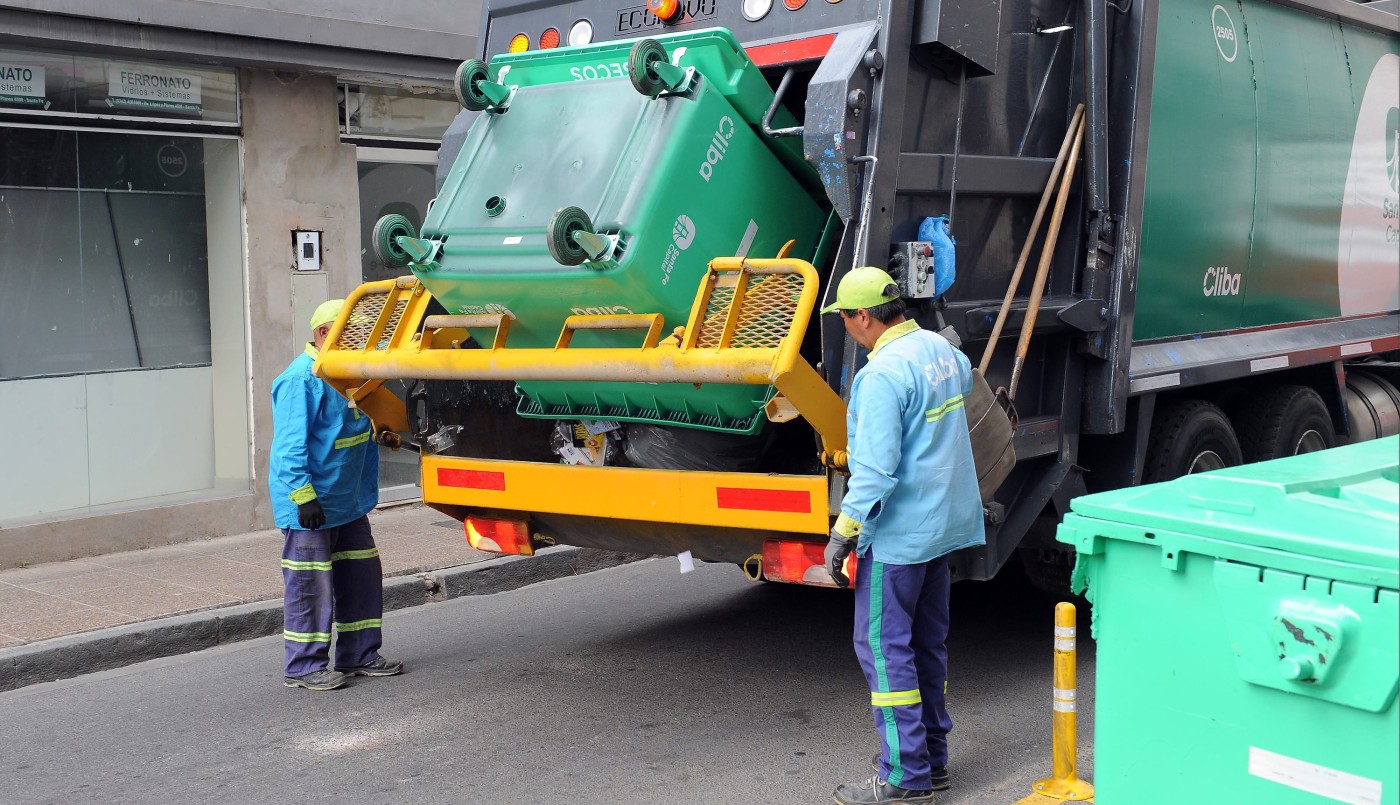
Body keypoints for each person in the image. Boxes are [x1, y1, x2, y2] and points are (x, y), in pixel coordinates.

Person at [820, 267, 986, 804]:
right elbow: (966, 384)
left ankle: (904, 776)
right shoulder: (940, 349)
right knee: (926, 646)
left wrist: (843, 533)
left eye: (845, 319)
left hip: (898, 538)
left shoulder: (881, 376)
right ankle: (932, 762)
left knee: (886, 652)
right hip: (942, 528)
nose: (846, 328)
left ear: (863, 317)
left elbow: (874, 471)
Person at [269, 299, 403, 691]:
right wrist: (303, 496)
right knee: (310, 586)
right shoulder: (301, 379)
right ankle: (303, 667)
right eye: (355, 332)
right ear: (326, 333)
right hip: (313, 504)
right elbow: (289, 448)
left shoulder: (348, 373)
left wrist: (382, 432)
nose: (362, 339)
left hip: (347, 500)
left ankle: (359, 655)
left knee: (361, 577)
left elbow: (351, 427)